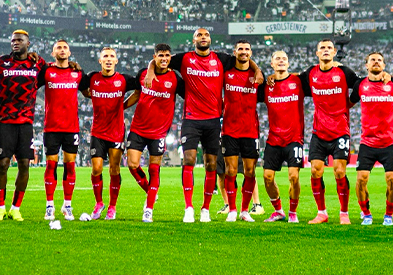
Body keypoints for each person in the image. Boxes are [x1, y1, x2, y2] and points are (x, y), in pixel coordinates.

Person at [146, 28, 262, 223]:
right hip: (191, 119)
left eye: (206, 35)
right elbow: (160, 59)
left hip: (214, 120)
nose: (203, 38)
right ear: (194, 40)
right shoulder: (184, 59)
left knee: (210, 164)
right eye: (199, 35)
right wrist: (150, 71)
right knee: (189, 160)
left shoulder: (222, 59)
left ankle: (205, 208)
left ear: (210, 39)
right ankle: (188, 207)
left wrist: (257, 69)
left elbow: (244, 59)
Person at [0, 30, 47, 221]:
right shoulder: (1, 62)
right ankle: (0, 207)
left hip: (26, 122)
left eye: (19, 40)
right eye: (12, 40)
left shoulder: (38, 63)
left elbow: (55, 72)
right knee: (3, 163)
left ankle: (15, 207)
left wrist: (71, 64)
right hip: (5, 120)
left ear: (28, 43)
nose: (15, 43)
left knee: (24, 163)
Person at [300, 39, 360, 224]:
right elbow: (294, 79)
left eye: (328, 48)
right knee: (315, 171)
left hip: (340, 131)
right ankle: (322, 213)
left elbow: (359, 85)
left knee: (339, 172)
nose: (325, 51)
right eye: (322, 48)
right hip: (319, 131)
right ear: (317, 53)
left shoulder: (344, 72)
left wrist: (349, 102)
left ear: (334, 52)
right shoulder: (310, 73)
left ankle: (344, 213)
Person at [350, 52, 393, 226]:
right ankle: (366, 213)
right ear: (366, 66)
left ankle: (389, 215)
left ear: (384, 66)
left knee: (391, 178)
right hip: (367, 142)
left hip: (389, 142)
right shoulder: (360, 85)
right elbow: (349, 102)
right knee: (361, 179)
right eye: (372, 60)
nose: (376, 62)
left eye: (379, 60)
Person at [126, 44, 186, 223]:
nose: (164, 58)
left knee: (154, 170)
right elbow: (137, 94)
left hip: (159, 132)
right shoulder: (144, 73)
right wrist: (121, 107)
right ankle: (151, 191)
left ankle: (149, 209)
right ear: (155, 56)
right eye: (161, 55)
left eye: (167, 55)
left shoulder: (175, 79)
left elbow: (187, 96)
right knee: (132, 164)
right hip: (138, 128)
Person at [79, 46, 138, 221]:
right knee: (96, 168)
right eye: (105, 56)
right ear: (100, 60)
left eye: (112, 56)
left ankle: (112, 207)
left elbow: (139, 91)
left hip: (116, 131)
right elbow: (83, 89)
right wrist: (92, 95)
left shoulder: (124, 80)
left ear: (116, 60)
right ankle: (99, 203)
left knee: (114, 169)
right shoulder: (92, 78)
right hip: (98, 130)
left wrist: (123, 105)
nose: (109, 59)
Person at [39, 39, 83, 221]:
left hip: (71, 127)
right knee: (50, 165)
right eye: (58, 48)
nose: (62, 50)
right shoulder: (47, 72)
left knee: (70, 166)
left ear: (70, 52)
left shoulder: (78, 73)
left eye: (65, 47)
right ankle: (50, 206)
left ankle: (67, 205)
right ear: (53, 53)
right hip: (52, 127)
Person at [259, 50, 305, 223]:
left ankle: (293, 212)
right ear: (271, 63)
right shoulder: (266, 87)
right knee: (267, 177)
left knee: (294, 176)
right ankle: (278, 211)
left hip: (294, 139)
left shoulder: (298, 81)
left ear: (288, 63)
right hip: (274, 139)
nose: (281, 61)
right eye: (277, 58)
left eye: (284, 58)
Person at [220, 40, 262, 223]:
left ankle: (245, 210)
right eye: (240, 49)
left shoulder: (257, 76)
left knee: (250, 171)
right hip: (229, 129)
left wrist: (259, 71)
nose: (244, 52)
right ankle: (232, 209)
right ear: (234, 52)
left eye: (247, 49)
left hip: (250, 131)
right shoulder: (225, 73)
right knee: (230, 170)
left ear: (251, 52)